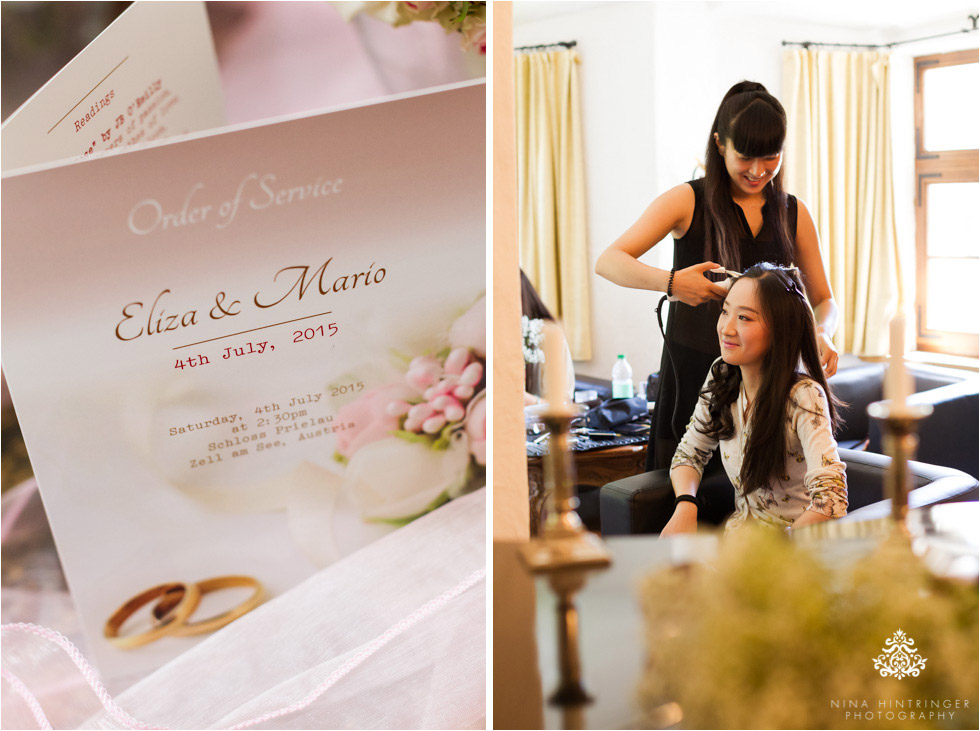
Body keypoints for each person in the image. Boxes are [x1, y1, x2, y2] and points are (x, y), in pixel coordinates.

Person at [595, 80, 840, 472]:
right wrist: (672, 282)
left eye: (771, 157)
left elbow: (825, 300)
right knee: (686, 498)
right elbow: (608, 261)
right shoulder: (686, 201)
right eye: (746, 157)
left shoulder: (795, 213)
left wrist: (823, 331)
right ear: (720, 144)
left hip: (768, 386)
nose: (759, 171)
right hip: (693, 378)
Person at [661, 263, 847, 535]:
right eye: (725, 312)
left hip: (798, 555)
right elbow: (690, 454)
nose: (726, 328)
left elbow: (831, 498)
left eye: (744, 318)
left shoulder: (804, 397)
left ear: (780, 330)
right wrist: (686, 505)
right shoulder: (721, 376)